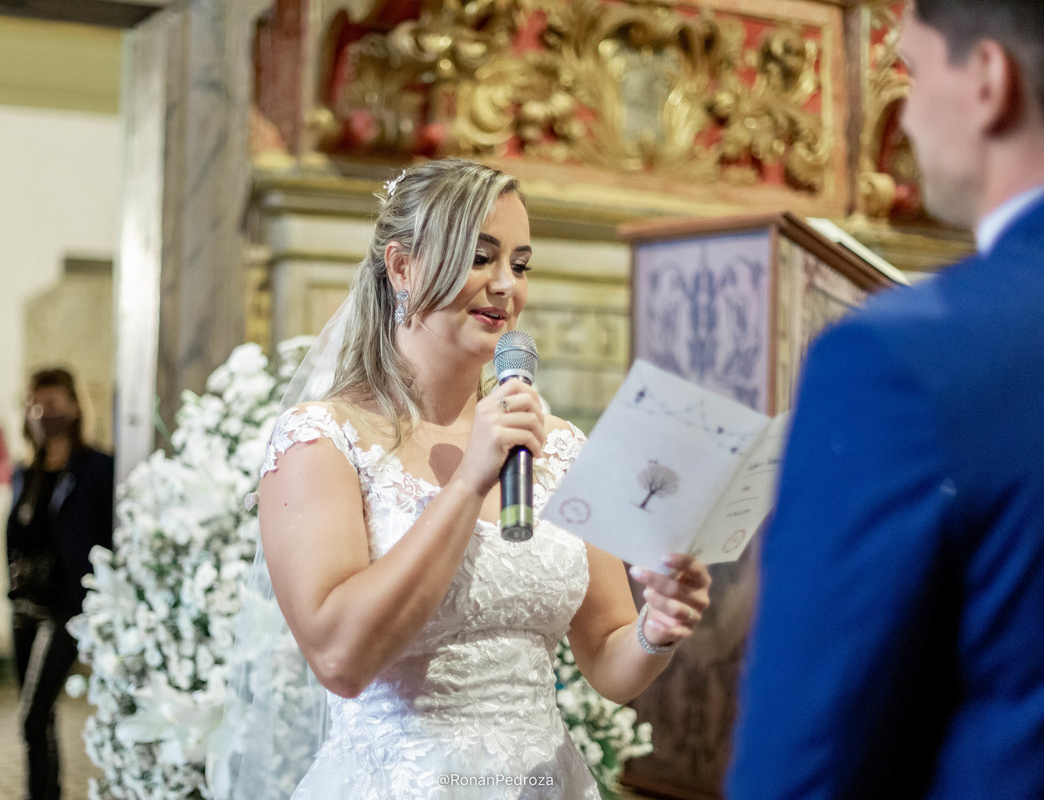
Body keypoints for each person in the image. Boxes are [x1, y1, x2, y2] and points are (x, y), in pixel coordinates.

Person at [251, 158, 712, 798]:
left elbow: (608, 660)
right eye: (479, 258)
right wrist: (469, 480)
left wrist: (654, 631)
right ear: (402, 267)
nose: (505, 286)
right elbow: (339, 660)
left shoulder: (557, 447)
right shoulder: (321, 441)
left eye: (520, 265)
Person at [728, 1, 1044, 798]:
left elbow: (805, 765)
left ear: (989, 81)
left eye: (913, 72)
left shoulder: (901, 359)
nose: (907, 119)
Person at [6, 367, 114, 800]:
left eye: (51, 404)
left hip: (66, 606)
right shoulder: (24, 471)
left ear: (72, 407)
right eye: (34, 405)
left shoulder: (96, 467)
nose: (42, 414)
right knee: (39, 718)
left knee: (32, 716)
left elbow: (106, 534)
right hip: (24, 605)